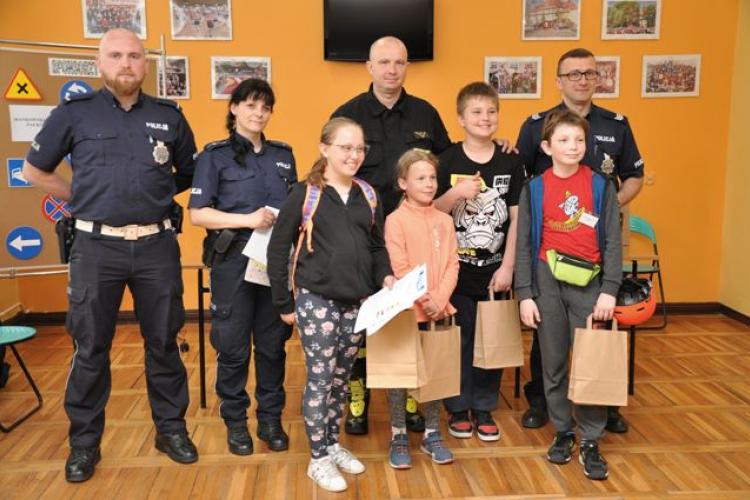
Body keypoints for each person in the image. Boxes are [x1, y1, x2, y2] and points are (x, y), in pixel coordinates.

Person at [22, 28, 197, 482]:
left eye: (134, 56)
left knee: (164, 343)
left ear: (145, 63)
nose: (126, 64)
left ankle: (171, 430)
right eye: (116, 55)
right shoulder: (74, 113)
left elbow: (189, 172)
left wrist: (153, 194)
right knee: (90, 347)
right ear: (99, 63)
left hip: (157, 246)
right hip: (96, 247)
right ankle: (84, 444)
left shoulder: (169, 116)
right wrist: (81, 197)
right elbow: (34, 169)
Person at [516, 47, 645, 434]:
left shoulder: (616, 125)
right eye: (573, 73)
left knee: (594, 342)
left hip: (595, 249)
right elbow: (521, 175)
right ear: (559, 81)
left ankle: (600, 411)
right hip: (549, 255)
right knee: (550, 344)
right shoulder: (535, 127)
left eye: (589, 73)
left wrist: (607, 206)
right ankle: (546, 405)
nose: (582, 80)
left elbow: (634, 175)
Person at [331, 35, 452, 435]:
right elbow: (332, 174)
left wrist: (491, 144)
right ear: (369, 67)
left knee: (409, 320)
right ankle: (358, 398)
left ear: (407, 67)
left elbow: (447, 166)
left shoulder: (425, 114)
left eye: (399, 62)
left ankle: (412, 395)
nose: (391, 70)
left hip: (413, 238)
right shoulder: (348, 115)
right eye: (383, 62)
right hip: (361, 241)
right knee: (361, 321)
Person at [267, 117, 395, 492]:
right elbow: (278, 248)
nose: (354, 155)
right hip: (316, 301)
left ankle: (332, 443)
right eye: (345, 147)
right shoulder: (305, 194)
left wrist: (386, 277)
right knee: (321, 379)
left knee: (342, 378)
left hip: (356, 302)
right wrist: (283, 302)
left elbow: (376, 246)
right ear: (324, 148)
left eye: (359, 149)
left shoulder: (368, 194)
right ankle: (318, 459)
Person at [188, 78, 296, 456]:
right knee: (233, 348)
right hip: (232, 263)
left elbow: (293, 210)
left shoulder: (283, 155)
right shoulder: (213, 156)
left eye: (265, 107)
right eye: (250, 105)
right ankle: (236, 422)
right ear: (234, 108)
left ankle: (270, 419)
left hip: (273, 264)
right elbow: (198, 214)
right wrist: (247, 220)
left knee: (272, 346)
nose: (258, 113)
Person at [515, 109, 622, 481]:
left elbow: (613, 241)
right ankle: (563, 430)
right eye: (563, 140)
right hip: (546, 281)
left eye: (579, 140)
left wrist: (609, 290)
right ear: (547, 147)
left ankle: (590, 438)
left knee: (590, 361)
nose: (573, 146)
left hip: (589, 283)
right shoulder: (534, 188)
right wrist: (525, 294)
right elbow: (524, 244)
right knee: (553, 361)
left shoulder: (601, 186)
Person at [434, 82, 525, 442]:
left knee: (493, 338)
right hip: (455, 272)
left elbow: (517, 218)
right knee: (459, 340)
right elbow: (431, 211)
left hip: (495, 272)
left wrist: (508, 267)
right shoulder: (446, 159)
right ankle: (457, 407)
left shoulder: (510, 160)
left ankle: (484, 406)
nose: (485, 118)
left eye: (491, 111)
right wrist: (455, 194)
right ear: (461, 119)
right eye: (476, 112)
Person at [383, 149, 459, 469]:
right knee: (400, 375)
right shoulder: (395, 220)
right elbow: (400, 266)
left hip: (439, 310)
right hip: (407, 310)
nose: (429, 184)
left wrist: (439, 299)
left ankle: (432, 432)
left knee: (435, 371)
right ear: (403, 183)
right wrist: (424, 298)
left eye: (432, 178)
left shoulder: (445, 220)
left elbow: (452, 263)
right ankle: (398, 433)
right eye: (421, 178)